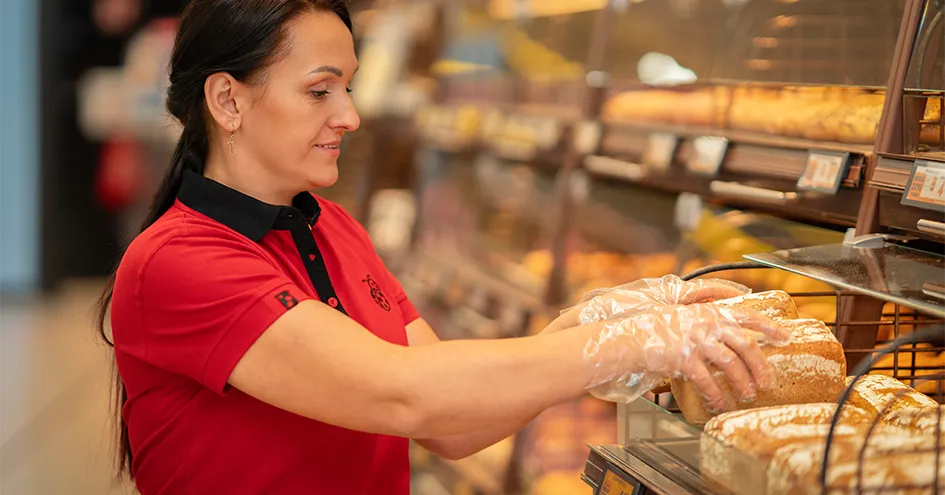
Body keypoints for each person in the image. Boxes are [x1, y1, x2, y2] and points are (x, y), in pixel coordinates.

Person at [94, 1, 788, 493]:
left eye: (349, 87)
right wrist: (634, 343)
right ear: (227, 100)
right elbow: (404, 396)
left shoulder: (329, 226)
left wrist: (592, 322)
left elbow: (450, 424)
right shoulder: (177, 262)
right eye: (319, 91)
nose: (351, 115)